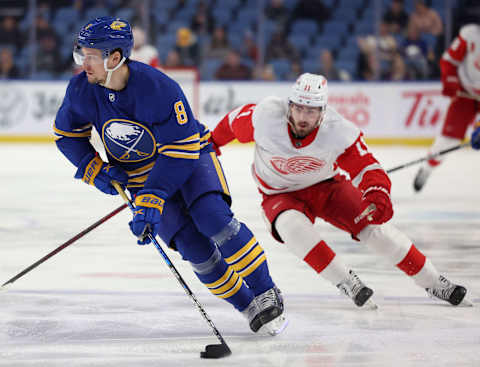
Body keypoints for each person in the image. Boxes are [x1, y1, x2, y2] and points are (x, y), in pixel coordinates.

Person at [53, 16, 287, 336]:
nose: (83, 63)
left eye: (91, 55)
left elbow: (180, 151)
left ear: (115, 58)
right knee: (194, 249)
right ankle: (249, 307)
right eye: (81, 53)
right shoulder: (81, 90)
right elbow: (67, 136)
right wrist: (96, 171)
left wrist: (154, 194)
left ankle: (266, 291)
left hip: (188, 160)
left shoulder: (159, 88)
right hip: (139, 179)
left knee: (213, 219)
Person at [210, 73, 471, 308]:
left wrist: (377, 192)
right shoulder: (265, 116)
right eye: (298, 108)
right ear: (289, 105)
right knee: (292, 228)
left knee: (375, 229)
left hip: (327, 187)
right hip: (279, 194)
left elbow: (366, 166)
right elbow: (229, 127)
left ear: (323, 111)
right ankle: (346, 280)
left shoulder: (338, 130)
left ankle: (434, 282)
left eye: (311, 111)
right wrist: (208, 146)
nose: (302, 117)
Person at [413, 24, 479, 192]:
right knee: (447, 141)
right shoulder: (470, 34)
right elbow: (448, 60)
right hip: (466, 93)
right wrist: (450, 81)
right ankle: (427, 169)